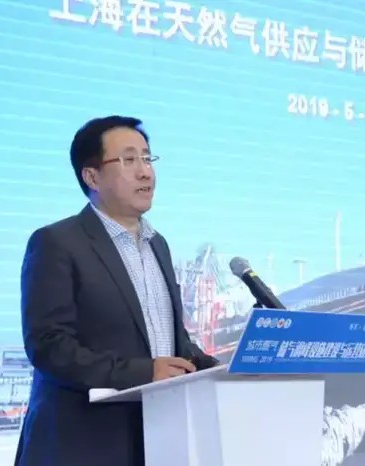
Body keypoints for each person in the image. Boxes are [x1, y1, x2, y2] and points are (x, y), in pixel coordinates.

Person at [14, 115, 219, 466]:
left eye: (147, 158)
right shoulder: (57, 242)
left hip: (158, 440)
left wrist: (217, 367)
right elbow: (48, 345)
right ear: (92, 176)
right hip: (81, 446)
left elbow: (171, 343)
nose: (145, 172)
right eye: (128, 160)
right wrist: (144, 372)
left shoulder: (158, 245)